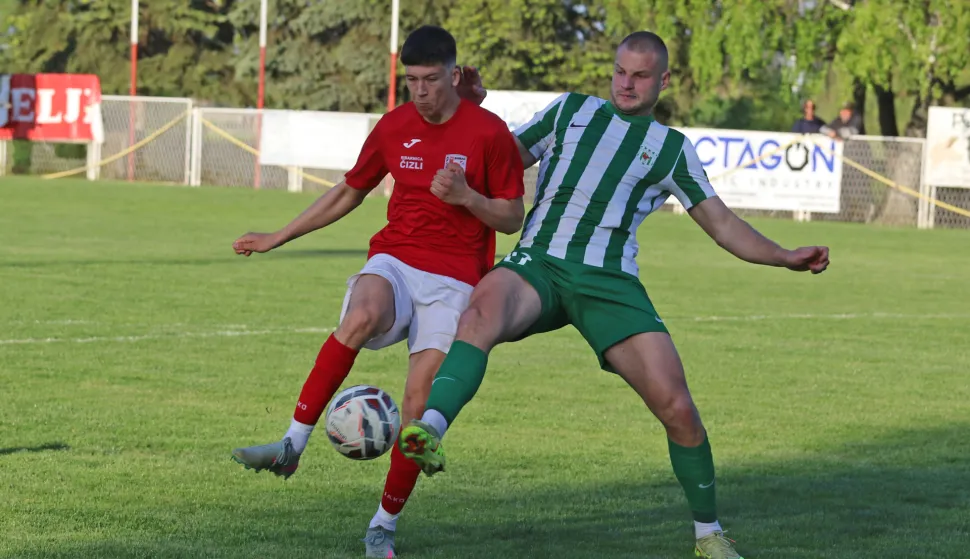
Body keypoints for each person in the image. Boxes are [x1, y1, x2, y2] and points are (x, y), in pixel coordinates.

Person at [398, 31, 830, 559]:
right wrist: (470, 110)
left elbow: (722, 225)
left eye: (641, 75)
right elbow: (495, 159)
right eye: (621, 71)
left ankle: (708, 535)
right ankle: (429, 430)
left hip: (610, 282)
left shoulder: (672, 149)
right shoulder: (569, 112)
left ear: (663, 81)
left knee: (678, 407)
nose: (627, 83)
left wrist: (785, 256)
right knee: (481, 312)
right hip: (540, 262)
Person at [229, 25, 525, 559]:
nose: (421, 92)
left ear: (453, 75)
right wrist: (279, 236)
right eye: (411, 80)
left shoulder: (488, 132)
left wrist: (467, 197)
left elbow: (510, 216)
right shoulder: (393, 127)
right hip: (395, 258)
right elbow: (350, 190)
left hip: (457, 281)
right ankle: (291, 445)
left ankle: (382, 525)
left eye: (431, 80)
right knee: (362, 312)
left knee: (418, 406)